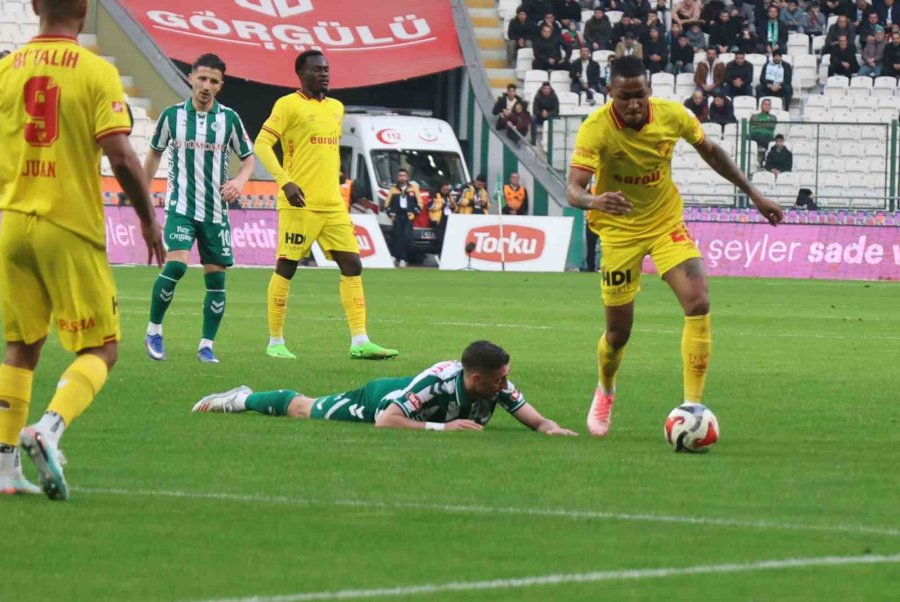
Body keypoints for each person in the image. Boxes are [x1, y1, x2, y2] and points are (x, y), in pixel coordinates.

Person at [565, 56, 782, 437]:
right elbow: (573, 189)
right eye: (624, 97)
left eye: (640, 95)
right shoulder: (595, 128)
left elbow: (711, 151)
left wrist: (755, 195)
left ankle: (692, 406)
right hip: (618, 231)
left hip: (666, 223)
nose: (634, 104)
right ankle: (606, 389)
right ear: (610, 93)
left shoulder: (672, 115)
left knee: (697, 301)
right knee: (618, 335)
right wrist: (594, 201)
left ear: (650, 90)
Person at [0, 0, 165, 498]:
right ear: (86, 9)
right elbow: (119, 153)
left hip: (11, 222)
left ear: (33, 6)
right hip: (67, 223)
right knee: (103, 347)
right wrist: (147, 217)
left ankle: (5, 470)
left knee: (22, 345)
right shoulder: (95, 71)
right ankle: (49, 429)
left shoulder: (6, 69)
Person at [255, 50, 398, 361]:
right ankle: (275, 341)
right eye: (318, 69)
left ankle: (360, 340)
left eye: (327, 69)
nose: (325, 74)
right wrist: (285, 181)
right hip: (299, 204)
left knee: (352, 265)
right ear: (301, 73)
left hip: (332, 204)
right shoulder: (287, 105)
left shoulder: (336, 108)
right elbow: (262, 144)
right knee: (287, 267)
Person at [192, 340, 577, 435]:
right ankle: (239, 399)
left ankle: (241, 397)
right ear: (476, 379)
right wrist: (443, 429)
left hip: (398, 404)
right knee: (304, 409)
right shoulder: (437, 383)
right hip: (379, 400)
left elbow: (536, 421)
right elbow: (386, 421)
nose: (506, 386)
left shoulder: (496, 386)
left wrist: (551, 429)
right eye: (499, 380)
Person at [143, 54, 255, 364]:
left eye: (213, 81)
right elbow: (153, 155)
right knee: (176, 265)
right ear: (191, 77)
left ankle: (206, 345)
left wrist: (241, 181)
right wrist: (143, 193)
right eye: (202, 78)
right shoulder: (172, 116)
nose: (206, 86)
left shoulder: (229, 119)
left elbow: (248, 158)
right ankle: (154, 330)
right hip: (181, 206)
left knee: (216, 280)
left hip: (215, 213)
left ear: (221, 85)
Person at [386, 169, 421, 268]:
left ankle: (402, 257)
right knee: (397, 236)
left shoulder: (413, 188)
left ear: (407, 177)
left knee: (406, 236)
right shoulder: (393, 189)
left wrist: (414, 212)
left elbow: (419, 203)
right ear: (398, 177)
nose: (402, 177)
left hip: (408, 216)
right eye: (400, 175)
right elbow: (387, 203)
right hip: (397, 215)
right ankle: (399, 258)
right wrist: (390, 213)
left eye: (404, 175)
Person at [749, 98, 777, 165]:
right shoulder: (754, 116)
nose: (767, 106)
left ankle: (764, 160)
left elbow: (771, 126)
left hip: (767, 137)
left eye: (769, 105)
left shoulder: (773, 117)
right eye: (765, 104)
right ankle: (756, 160)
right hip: (755, 136)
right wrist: (765, 124)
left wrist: (758, 124)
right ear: (761, 106)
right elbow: (751, 125)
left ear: (770, 107)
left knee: (766, 138)